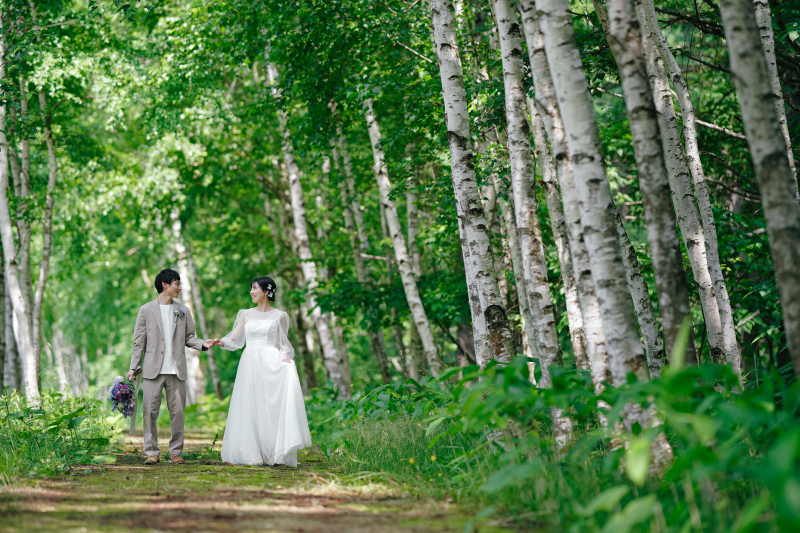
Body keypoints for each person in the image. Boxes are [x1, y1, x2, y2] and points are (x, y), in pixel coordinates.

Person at [211, 276, 311, 466]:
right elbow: (235, 340)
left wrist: (286, 361)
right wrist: (221, 341)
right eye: (251, 288)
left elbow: (284, 344)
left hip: (270, 362)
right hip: (249, 361)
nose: (251, 292)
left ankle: (272, 452)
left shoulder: (280, 316)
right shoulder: (245, 314)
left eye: (255, 288)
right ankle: (252, 453)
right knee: (250, 404)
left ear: (266, 291)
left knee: (268, 406)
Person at [127, 269, 214, 465]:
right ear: (165, 285)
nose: (180, 288)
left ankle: (176, 452)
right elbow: (139, 342)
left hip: (176, 370)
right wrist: (133, 367)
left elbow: (189, 337)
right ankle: (152, 452)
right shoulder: (146, 310)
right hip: (152, 370)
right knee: (149, 412)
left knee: (178, 413)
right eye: (177, 283)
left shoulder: (183, 310)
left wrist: (203, 344)